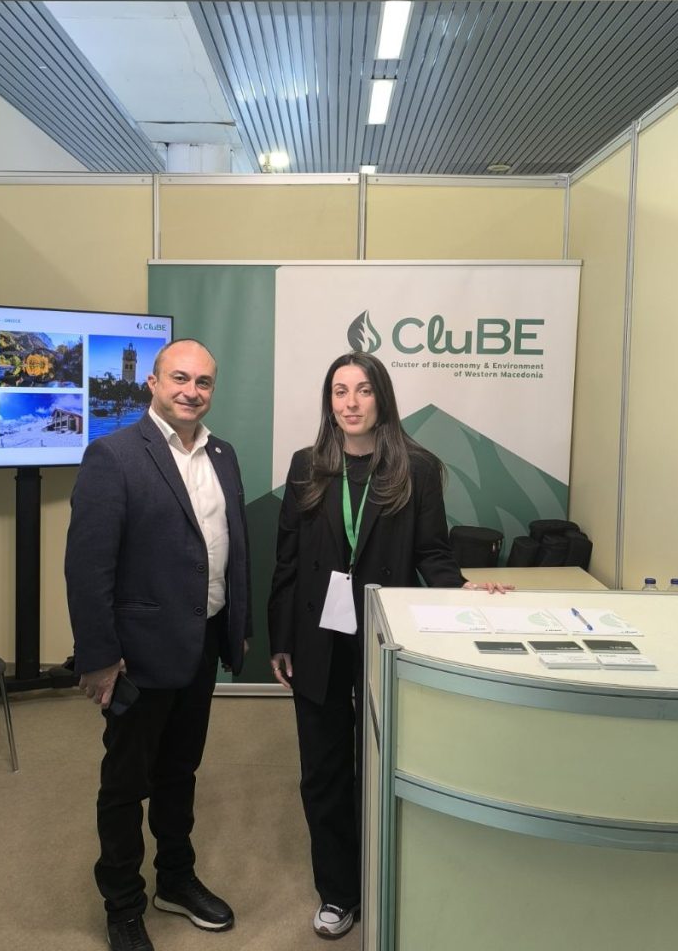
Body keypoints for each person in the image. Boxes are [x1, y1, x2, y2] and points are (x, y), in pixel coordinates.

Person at [268, 351, 509, 940]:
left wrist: (465, 590)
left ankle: (380, 873)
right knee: (323, 768)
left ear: (382, 398)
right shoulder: (306, 466)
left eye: (363, 390)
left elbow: (431, 552)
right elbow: (287, 561)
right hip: (318, 633)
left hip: (382, 633)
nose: (350, 403)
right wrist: (281, 640)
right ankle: (338, 891)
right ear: (329, 402)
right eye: (340, 391)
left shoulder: (416, 469)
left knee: (378, 762)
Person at [65, 339, 252, 951]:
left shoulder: (222, 454)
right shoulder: (114, 455)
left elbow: (231, 547)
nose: (191, 391)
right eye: (179, 378)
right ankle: (123, 904)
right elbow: (88, 567)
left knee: (180, 771)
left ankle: (175, 879)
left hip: (201, 643)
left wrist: (237, 625)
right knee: (125, 785)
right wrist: (98, 658)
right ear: (153, 382)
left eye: (203, 382)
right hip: (138, 656)